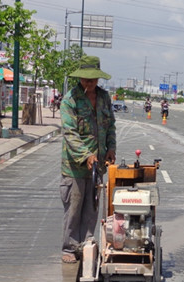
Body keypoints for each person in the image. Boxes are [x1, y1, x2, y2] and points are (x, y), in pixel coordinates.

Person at [59, 55, 116, 264]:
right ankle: (69, 248)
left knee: (92, 208)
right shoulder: (70, 100)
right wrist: (86, 156)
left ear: (98, 79)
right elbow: (70, 133)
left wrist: (111, 148)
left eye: (92, 79)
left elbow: (110, 126)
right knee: (73, 209)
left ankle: (88, 245)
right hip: (74, 167)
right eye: (85, 79)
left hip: (97, 166)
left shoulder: (104, 98)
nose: (88, 83)